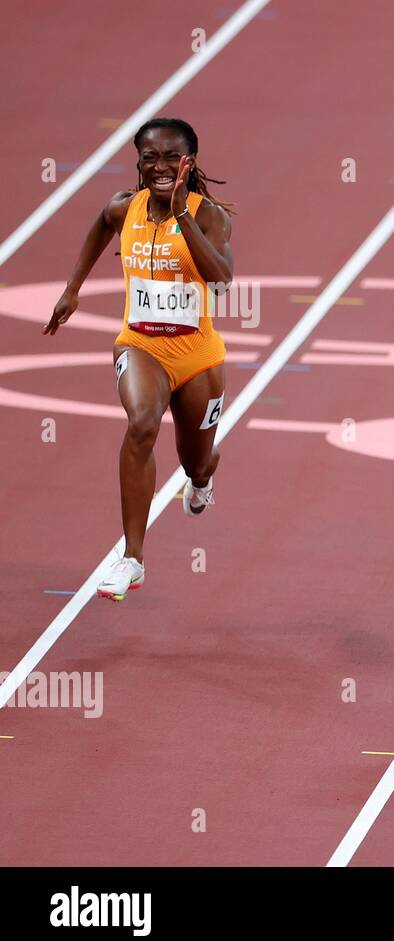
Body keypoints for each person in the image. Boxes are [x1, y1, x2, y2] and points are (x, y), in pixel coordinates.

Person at [45, 118, 234, 601]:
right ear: (139, 162)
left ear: (189, 162)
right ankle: (132, 558)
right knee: (142, 422)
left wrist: (181, 218)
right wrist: (72, 290)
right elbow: (98, 228)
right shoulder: (123, 209)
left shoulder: (208, 214)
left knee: (196, 461)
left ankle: (202, 479)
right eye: (150, 157)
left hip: (198, 357)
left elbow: (222, 279)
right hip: (141, 345)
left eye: (172, 157)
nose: (161, 166)